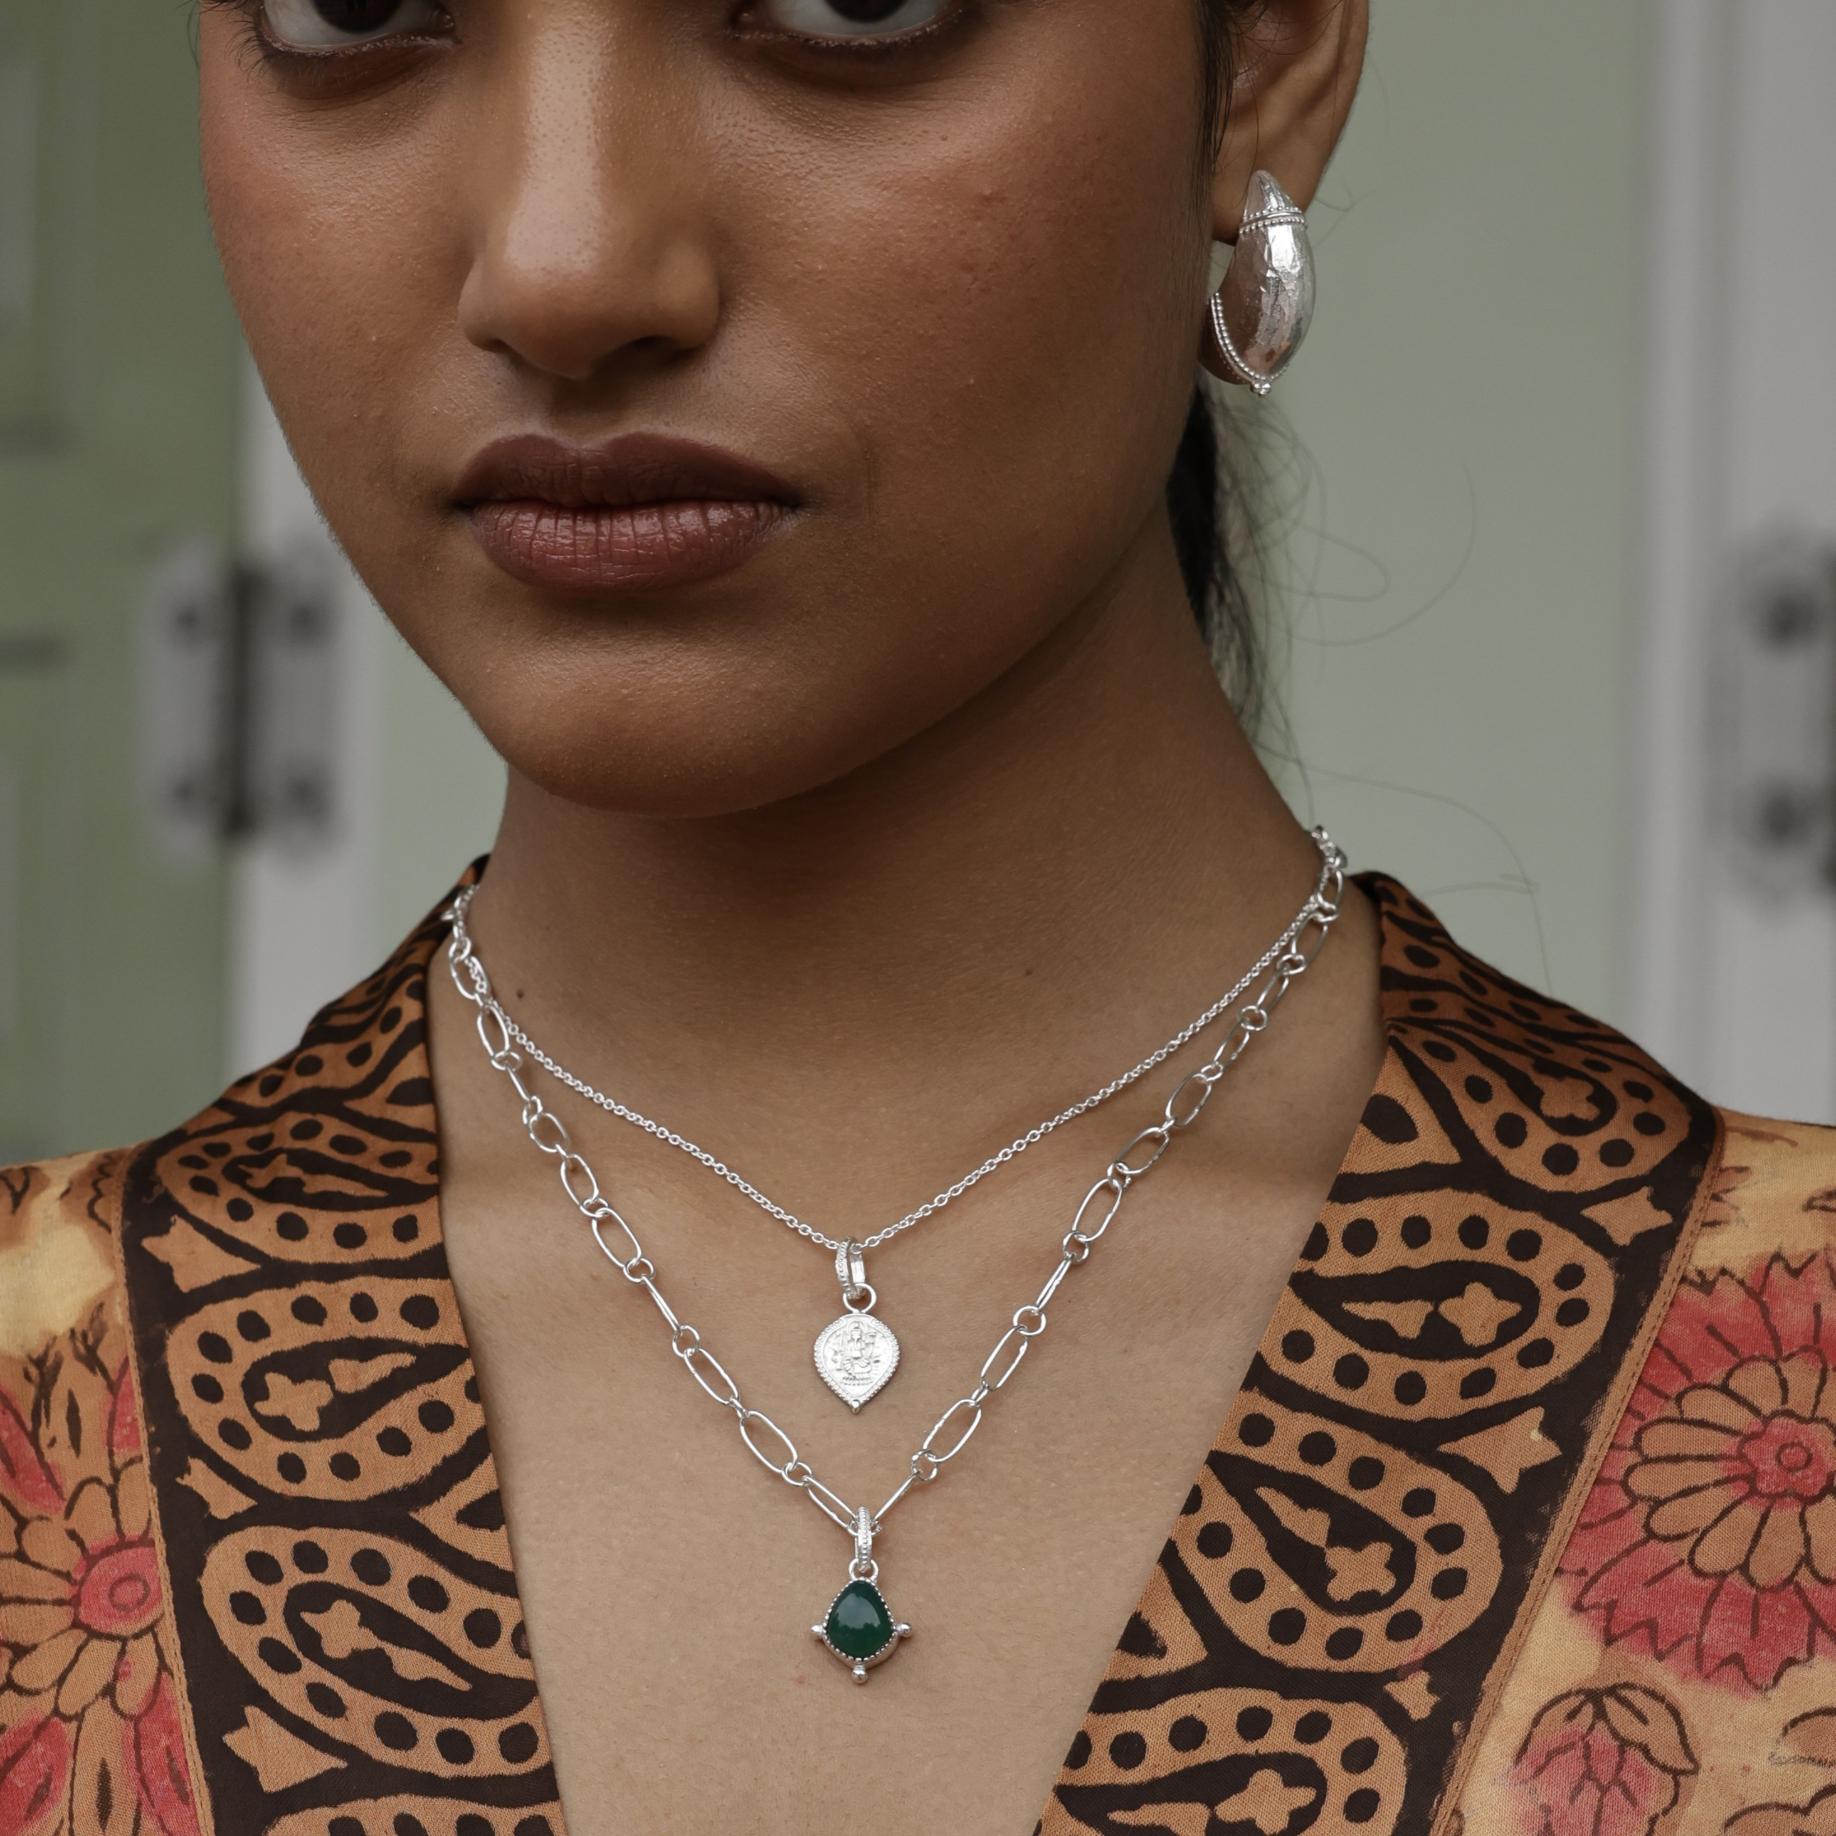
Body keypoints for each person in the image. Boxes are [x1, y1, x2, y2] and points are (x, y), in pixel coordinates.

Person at [3, 1, 1833, 1831]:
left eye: (848, 3)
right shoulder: (46, 1412)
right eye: (353, 5)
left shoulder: (1782, 1398)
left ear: (1265, 57)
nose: (562, 266)